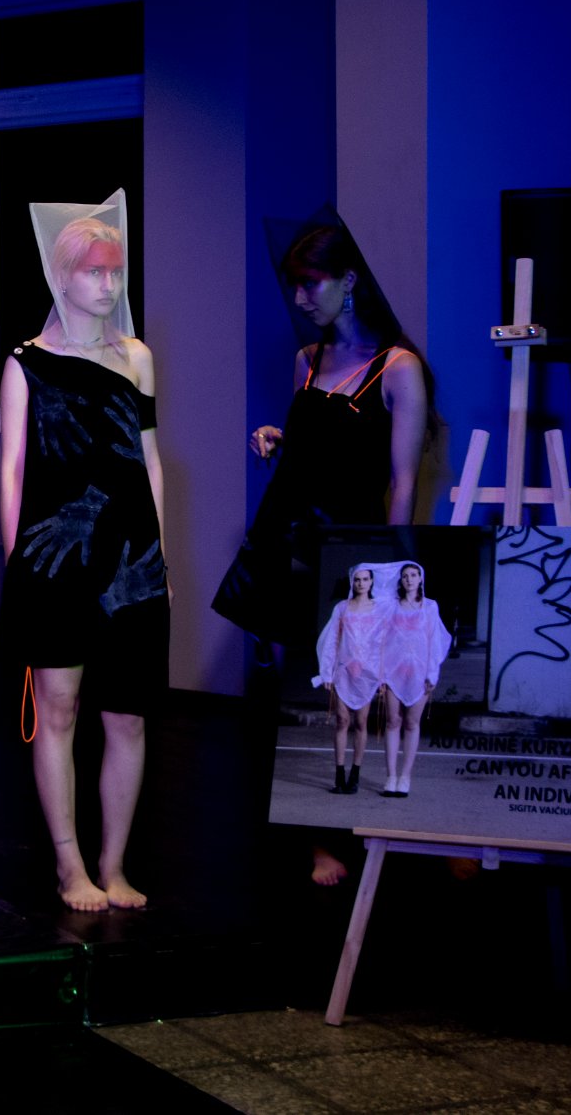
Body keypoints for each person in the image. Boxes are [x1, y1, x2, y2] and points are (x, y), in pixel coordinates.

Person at [213, 217, 433, 885]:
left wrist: (393, 573)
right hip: (288, 543)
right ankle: (315, 837)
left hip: (350, 555)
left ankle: (364, 826)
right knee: (296, 693)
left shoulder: (397, 370)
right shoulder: (306, 361)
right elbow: (320, 446)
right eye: (296, 287)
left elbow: (400, 481)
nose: (301, 299)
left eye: (311, 285)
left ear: (349, 281)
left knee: (351, 693)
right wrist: (278, 435)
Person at [0, 193, 168, 912]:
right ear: (61, 276)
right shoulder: (27, 363)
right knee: (59, 709)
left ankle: (114, 864)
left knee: (127, 715)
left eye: (114, 271)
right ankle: (71, 865)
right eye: (93, 271)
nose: (107, 283)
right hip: (55, 561)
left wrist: (161, 557)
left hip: (131, 562)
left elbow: (151, 461)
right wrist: (17, 561)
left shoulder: (136, 358)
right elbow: (12, 469)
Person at [375, 561, 449, 796]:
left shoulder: (430, 606)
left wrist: (432, 673)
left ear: (420, 578)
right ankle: (391, 776)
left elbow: (435, 641)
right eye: (405, 575)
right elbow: (382, 640)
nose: (409, 579)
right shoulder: (391, 606)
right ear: (401, 579)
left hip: (419, 672)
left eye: (413, 575)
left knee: (411, 723)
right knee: (392, 721)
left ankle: (405, 777)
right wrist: (380, 674)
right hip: (393, 671)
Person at [313, 563, 388, 793]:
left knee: (361, 722)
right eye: (357, 579)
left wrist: (382, 677)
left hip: (367, 673)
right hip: (344, 671)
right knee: (342, 720)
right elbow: (331, 640)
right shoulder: (342, 608)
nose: (361, 583)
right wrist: (327, 671)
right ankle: (339, 775)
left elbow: (383, 644)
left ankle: (355, 774)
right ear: (352, 582)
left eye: (365, 579)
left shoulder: (379, 609)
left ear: (371, 581)